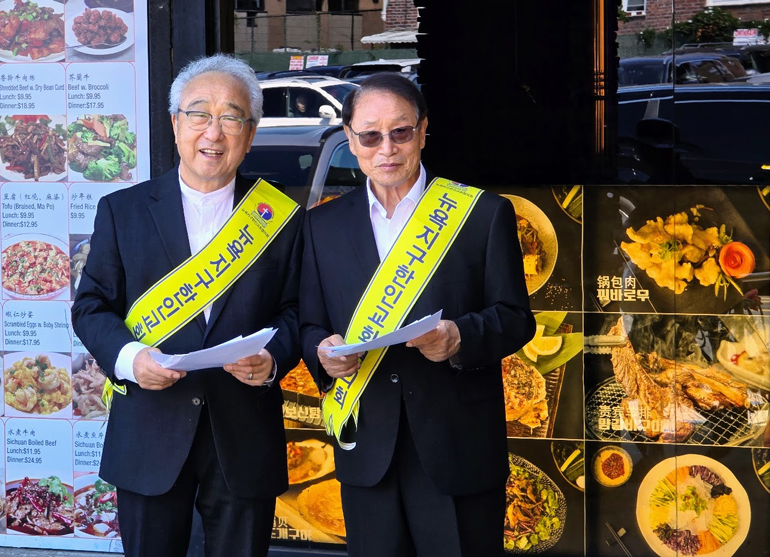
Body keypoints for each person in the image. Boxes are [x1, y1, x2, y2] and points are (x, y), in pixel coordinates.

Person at [71, 54, 304, 557]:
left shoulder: (279, 217)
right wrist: (132, 359)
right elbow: (90, 306)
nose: (213, 133)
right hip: (150, 429)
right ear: (176, 124)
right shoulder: (124, 210)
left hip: (243, 433)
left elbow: (296, 310)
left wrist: (272, 359)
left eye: (231, 118)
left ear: (250, 133)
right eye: (199, 114)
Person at [298, 73, 535, 556]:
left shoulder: (480, 213)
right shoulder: (322, 225)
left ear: (424, 131)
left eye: (400, 132)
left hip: (458, 447)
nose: (386, 149)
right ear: (350, 140)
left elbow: (515, 317)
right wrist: (321, 351)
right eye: (370, 136)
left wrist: (459, 337)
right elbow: (309, 324)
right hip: (366, 446)